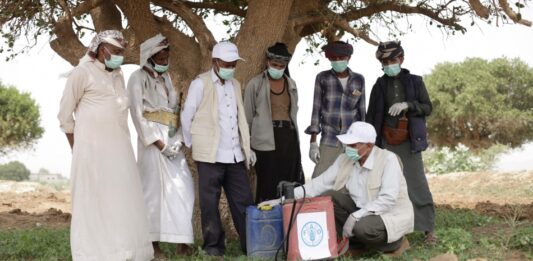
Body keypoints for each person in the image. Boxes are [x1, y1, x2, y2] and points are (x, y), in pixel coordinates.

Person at [57, 30, 153, 260]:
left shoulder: (118, 75)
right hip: (91, 151)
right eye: (117, 51)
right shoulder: (82, 73)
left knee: (121, 200)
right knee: (94, 202)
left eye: (122, 51)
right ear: (102, 49)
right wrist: (77, 147)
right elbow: (64, 117)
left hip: (120, 150)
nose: (120, 56)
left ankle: (125, 253)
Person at [260, 121, 413, 256]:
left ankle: (396, 244)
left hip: (386, 214)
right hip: (360, 208)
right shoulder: (345, 159)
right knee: (330, 197)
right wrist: (282, 200)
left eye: (353, 145)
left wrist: (355, 217)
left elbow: (387, 200)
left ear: (369, 145)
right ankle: (358, 245)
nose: (348, 148)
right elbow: (318, 184)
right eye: (348, 144)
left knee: (362, 228)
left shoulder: (388, 159)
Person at [180, 41, 255, 256]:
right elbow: (187, 116)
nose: (230, 67)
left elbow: (240, 119)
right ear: (215, 62)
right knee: (209, 204)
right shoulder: (200, 84)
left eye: (233, 64)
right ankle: (213, 248)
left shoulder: (236, 85)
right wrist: (192, 144)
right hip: (210, 156)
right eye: (227, 63)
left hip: (234, 156)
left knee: (243, 202)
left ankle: (250, 245)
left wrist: (246, 148)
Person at [127, 34, 194, 258]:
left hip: (172, 140)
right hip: (152, 143)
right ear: (150, 56)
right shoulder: (137, 78)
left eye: (167, 55)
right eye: (161, 56)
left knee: (183, 189)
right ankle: (153, 246)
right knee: (153, 193)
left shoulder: (166, 79)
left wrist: (177, 139)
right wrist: (160, 144)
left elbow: (173, 111)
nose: (166, 59)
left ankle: (183, 243)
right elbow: (138, 116)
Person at [366, 41, 436, 244]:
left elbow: (427, 107)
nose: (389, 65)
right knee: (388, 187)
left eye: (392, 60)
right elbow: (371, 117)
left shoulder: (415, 81)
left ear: (401, 59)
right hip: (386, 144)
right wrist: (372, 145)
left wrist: (408, 104)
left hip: (409, 141)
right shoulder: (378, 85)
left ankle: (428, 230)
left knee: (417, 184)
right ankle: (394, 231)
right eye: (384, 62)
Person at [243, 42, 304, 203]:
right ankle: (268, 221)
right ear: (267, 62)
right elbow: (247, 117)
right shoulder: (255, 84)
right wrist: (248, 146)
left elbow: (293, 112)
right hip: (264, 142)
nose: (277, 68)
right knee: (268, 184)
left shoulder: (291, 85)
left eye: (281, 65)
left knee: (290, 184)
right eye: (274, 64)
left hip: (288, 139)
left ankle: (290, 220)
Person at [305, 40, 366, 178]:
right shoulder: (322, 78)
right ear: (329, 59)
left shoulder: (359, 79)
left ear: (348, 58)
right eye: (334, 58)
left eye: (341, 58)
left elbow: (362, 112)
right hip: (329, 137)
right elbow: (316, 109)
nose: (338, 61)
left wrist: (363, 142)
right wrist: (313, 142)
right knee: (320, 177)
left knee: (351, 178)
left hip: (352, 139)